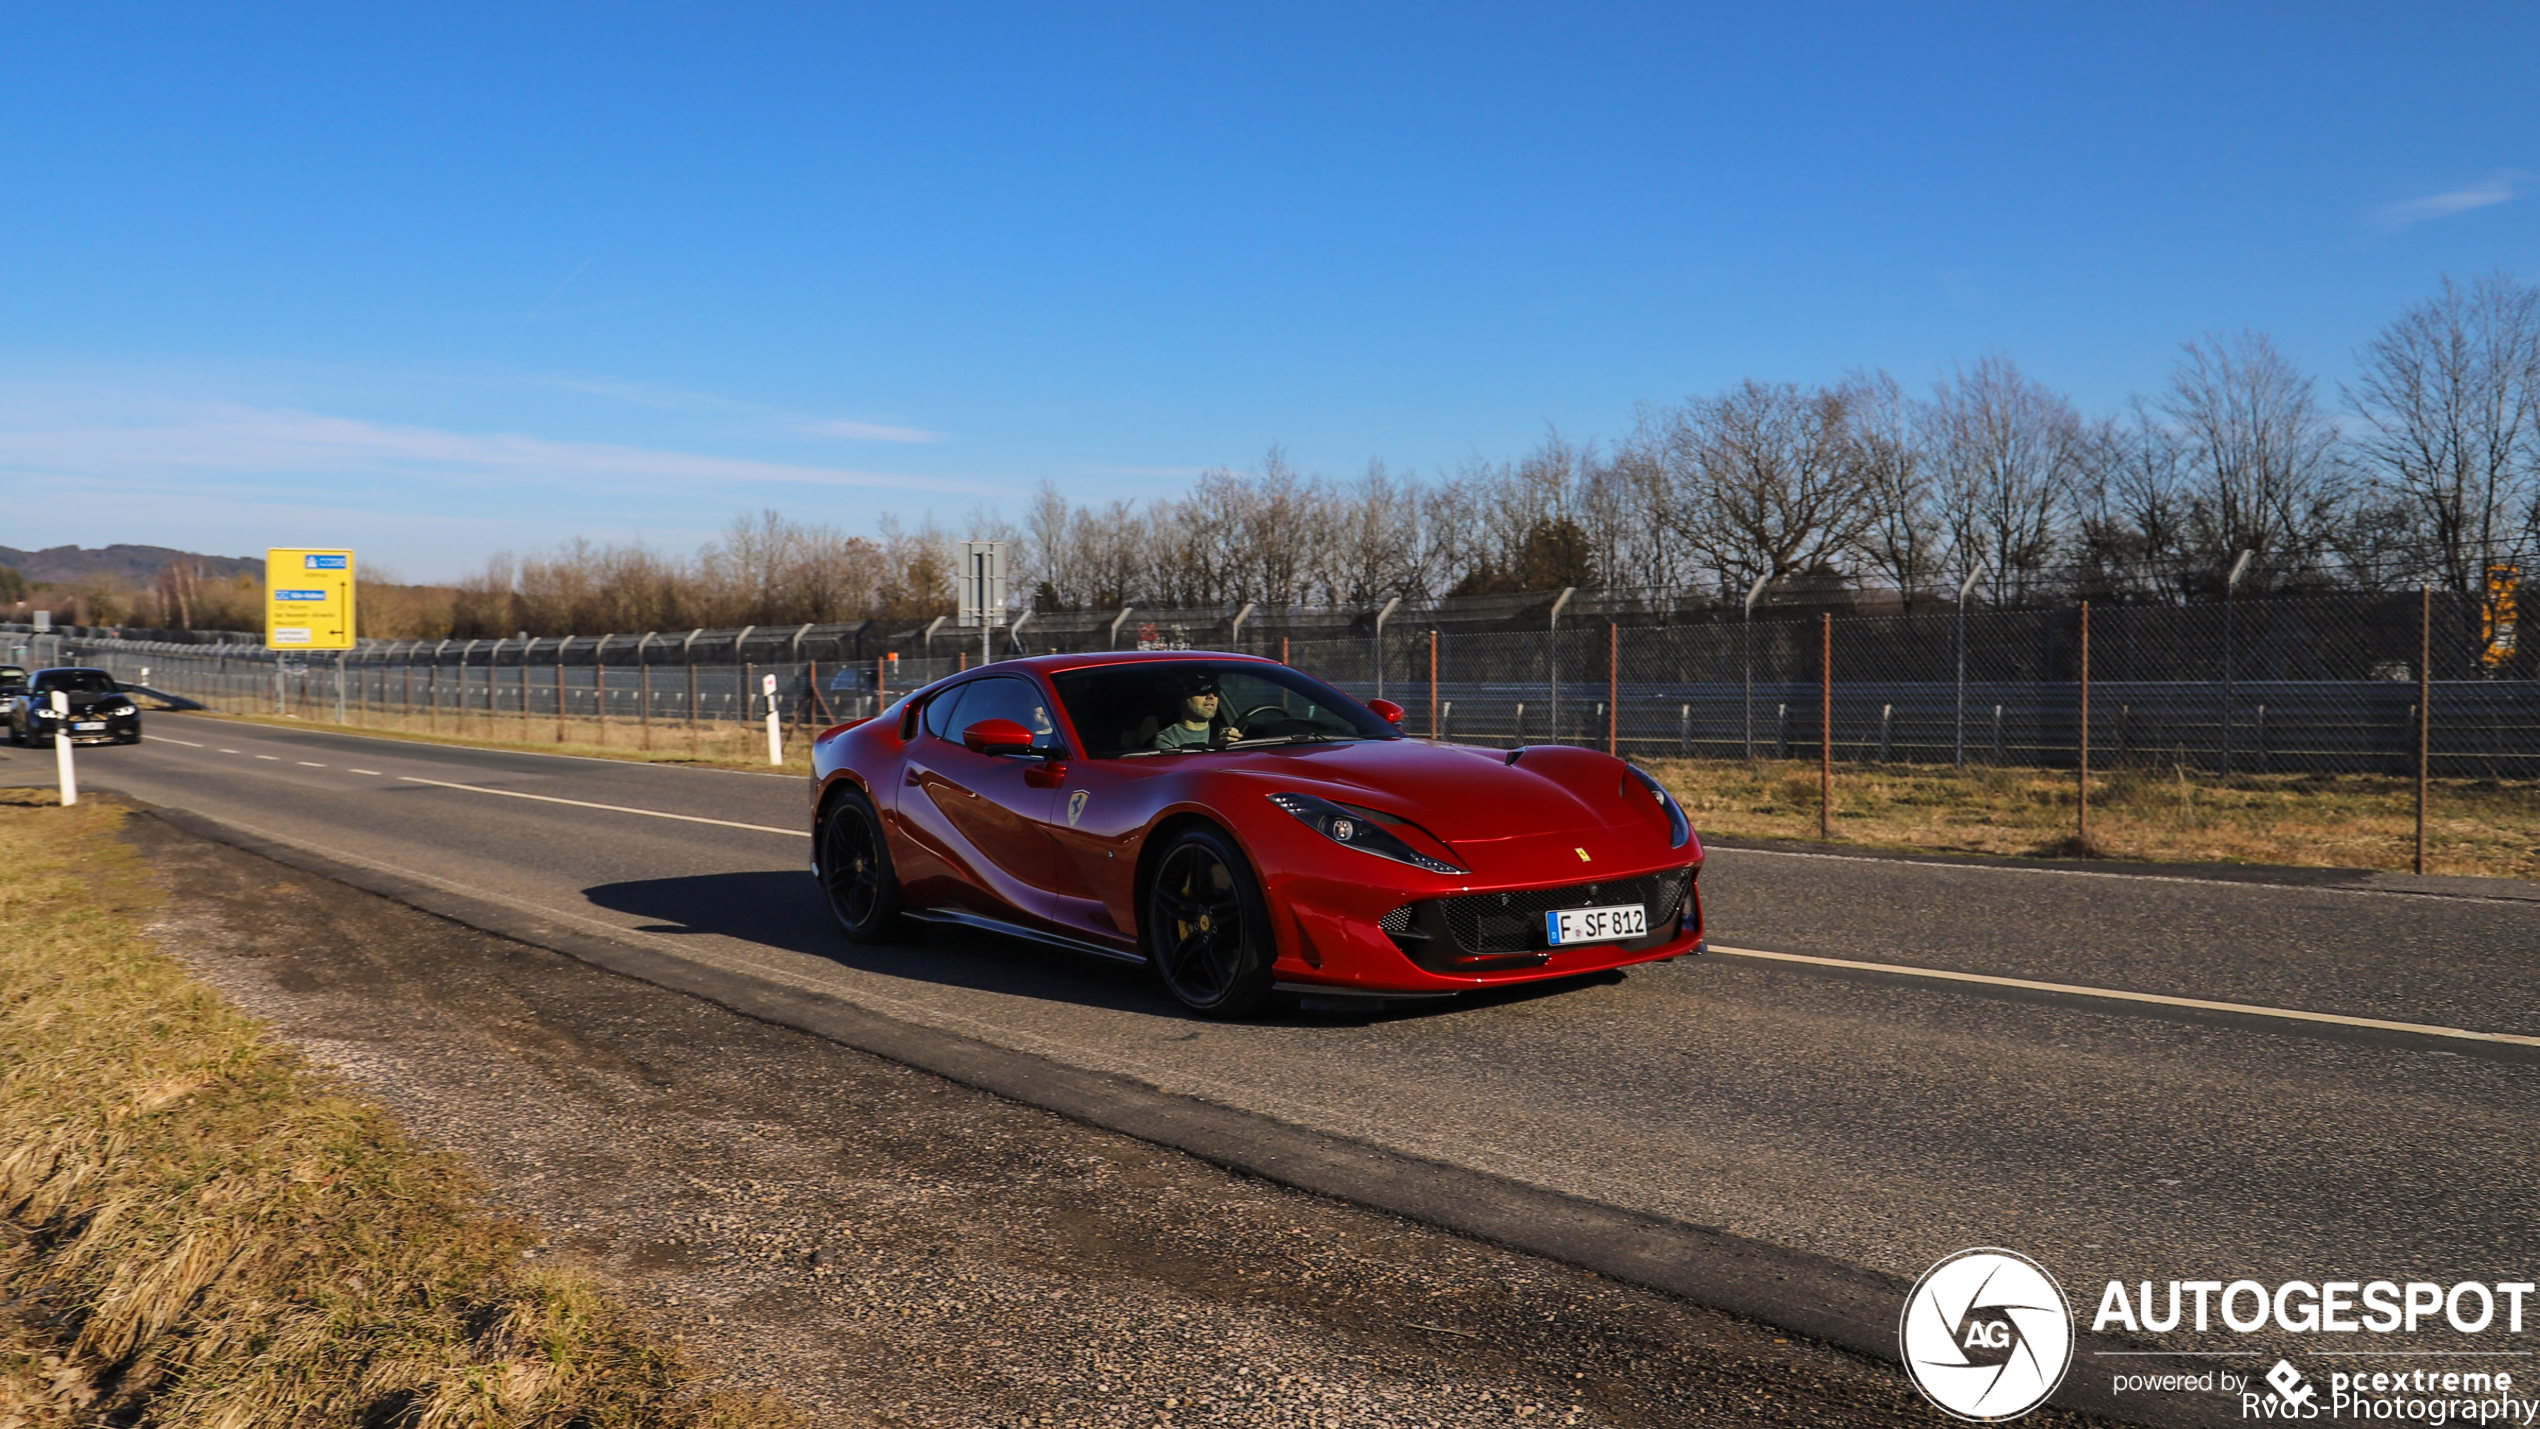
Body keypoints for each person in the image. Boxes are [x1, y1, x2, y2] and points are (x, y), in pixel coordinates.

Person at [1151, 675, 1244, 751]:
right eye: (1203, 691)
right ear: (1183, 698)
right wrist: (1214, 747)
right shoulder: (1168, 739)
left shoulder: (1225, 732)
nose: (1211, 696)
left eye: (1215, 691)